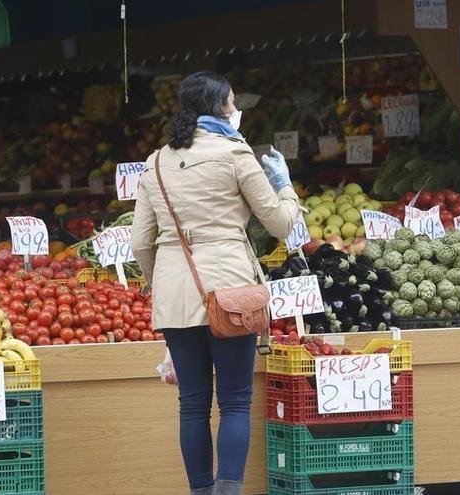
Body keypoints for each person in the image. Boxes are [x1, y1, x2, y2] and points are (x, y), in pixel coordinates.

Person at [130, 71, 300, 495]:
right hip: (232, 293)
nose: (235, 108)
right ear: (222, 108)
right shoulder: (235, 153)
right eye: (233, 101)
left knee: (192, 405)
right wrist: (286, 187)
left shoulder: (155, 163)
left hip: (175, 291)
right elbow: (279, 223)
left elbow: (139, 243)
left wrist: (164, 283)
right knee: (235, 401)